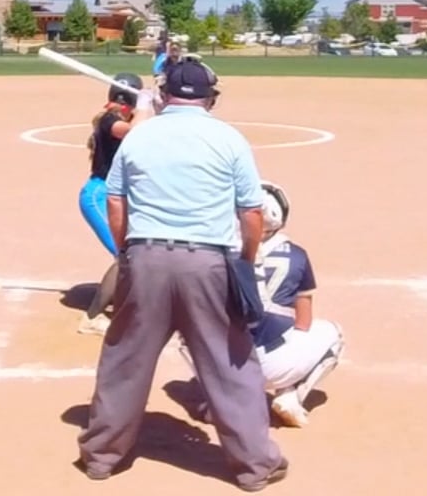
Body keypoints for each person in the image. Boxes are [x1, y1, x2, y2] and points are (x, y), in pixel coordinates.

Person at [76, 57, 288, 491]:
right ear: (210, 97)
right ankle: (254, 465)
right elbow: (251, 212)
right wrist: (245, 259)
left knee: (125, 358)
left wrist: (127, 252)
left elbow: (115, 202)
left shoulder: (140, 136)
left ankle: (101, 456)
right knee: (229, 362)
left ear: (163, 94)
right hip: (208, 262)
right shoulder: (228, 138)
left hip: (146, 258)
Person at [178, 181, 343, 428]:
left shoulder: (217, 252)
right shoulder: (297, 255)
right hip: (277, 363)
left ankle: (221, 403)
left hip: (226, 362)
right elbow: (303, 322)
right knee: (333, 333)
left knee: (187, 332)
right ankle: (290, 395)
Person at [77, 72, 144, 335]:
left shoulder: (118, 118)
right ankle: (92, 317)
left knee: (134, 250)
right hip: (98, 196)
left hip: (113, 195)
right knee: (125, 254)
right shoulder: (109, 121)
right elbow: (135, 132)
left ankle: (125, 296)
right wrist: (146, 105)